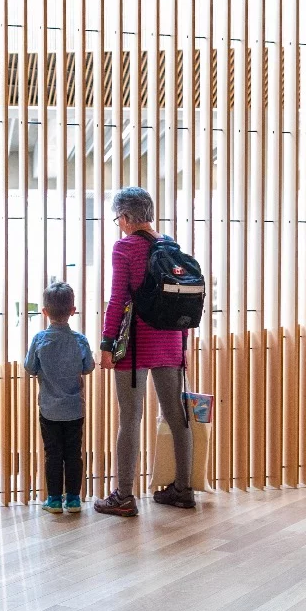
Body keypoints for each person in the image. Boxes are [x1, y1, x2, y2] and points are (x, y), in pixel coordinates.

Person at [95, 186, 195, 516]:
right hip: (170, 342)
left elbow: (118, 300)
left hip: (134, 347)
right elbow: (180, 296)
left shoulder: (124, 248)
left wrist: (107, 346)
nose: (119, 224)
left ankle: (124, 496)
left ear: (125, 217)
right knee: (176, 416)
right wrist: (182, 344)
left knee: (130, 419)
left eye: (117, 219)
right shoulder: (170, 245)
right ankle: (183, 489)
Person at [24, 281, 94, 514]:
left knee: (52, 453)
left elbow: (30, 367)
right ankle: (73, 499)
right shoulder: (80, 340)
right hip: (75, 408)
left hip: (49, 409)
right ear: (73, 310)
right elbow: (88, 367)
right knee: (73, 453)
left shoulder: (39, 339)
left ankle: (54, 499)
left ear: (44, 312)